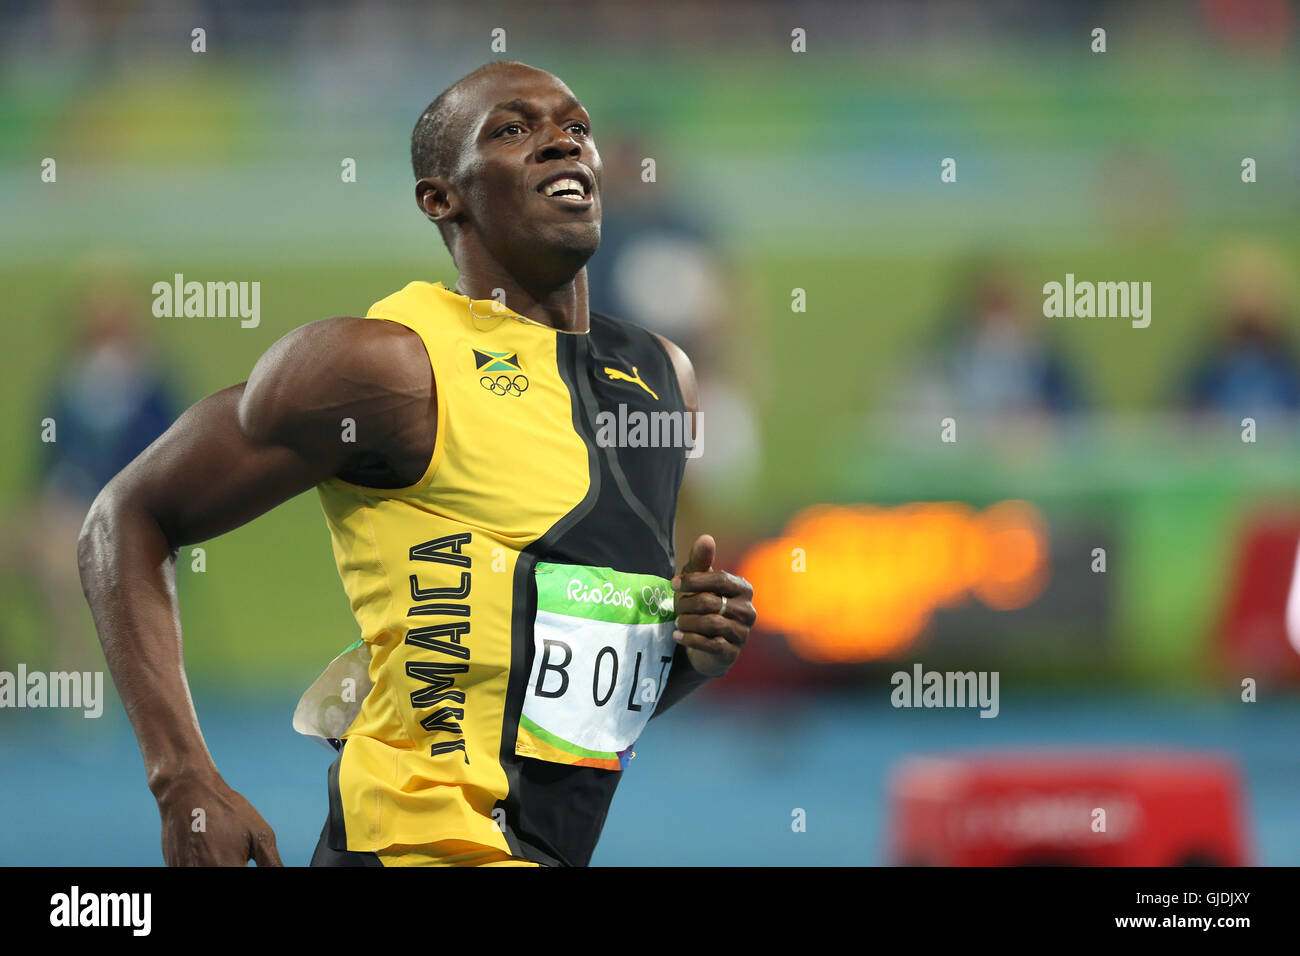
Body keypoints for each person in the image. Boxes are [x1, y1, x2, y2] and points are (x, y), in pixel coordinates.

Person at [77, 61, 756, 867]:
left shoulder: (660, 380)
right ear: (442, 197)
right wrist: (183, 777)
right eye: (513, 130)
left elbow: (566, 709)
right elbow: (124, 515)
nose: (559, 144)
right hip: (411, 844)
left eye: (575, 127)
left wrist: (684, 652)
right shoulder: (385, 368)